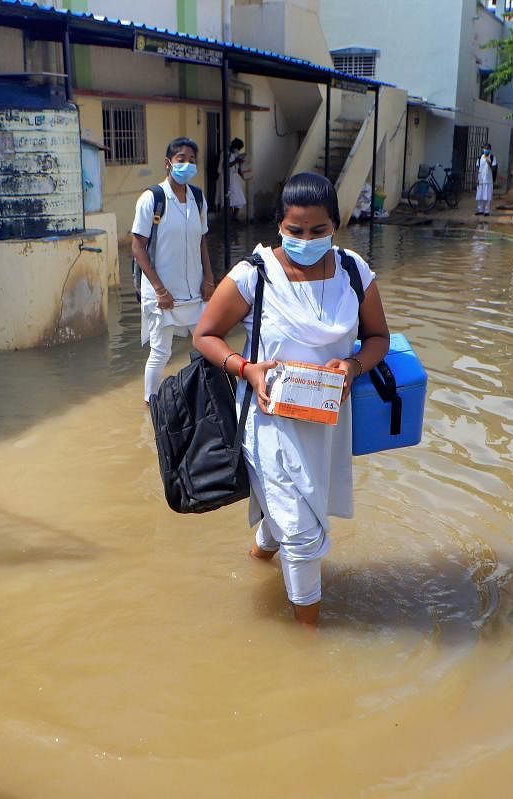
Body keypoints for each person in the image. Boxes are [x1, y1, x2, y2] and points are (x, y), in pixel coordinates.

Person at [193, 173, 392, 627]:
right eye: (295, 230)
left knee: (294, 506)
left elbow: (378, 337)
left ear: (336, 227)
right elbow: (205, 335)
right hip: (269, 422)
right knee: (301, 535)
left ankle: (259, 555)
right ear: (279, 226)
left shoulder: (354, 273)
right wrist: (246, 368)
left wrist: (354, 366)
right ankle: (309, 641)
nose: (306, 239)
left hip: (326, 424)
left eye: (318, 231)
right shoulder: (254, 276)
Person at [131, 137, 215, 403]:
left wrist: (209, 279)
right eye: (181, 159)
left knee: (208, 342)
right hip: (162, 292)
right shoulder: (152, 199)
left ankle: (203, 399)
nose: (187, 165)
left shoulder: (198, 198)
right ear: (168, 163)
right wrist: (159, 290)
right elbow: (137, 247)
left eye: (192, 160)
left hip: (194, 289)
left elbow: (202, 240)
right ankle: (151, 404)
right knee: (161, 351)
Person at [221, 138, 248, 222]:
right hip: (229, 178)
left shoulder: (235, 154)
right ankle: (229, 218)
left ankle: (234, 217)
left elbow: (237, 168)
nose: (238, 150)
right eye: (238, 148)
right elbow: (225, 165)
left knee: (240, 199)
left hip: (235, 177)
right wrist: (236, 161)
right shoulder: (227, 153)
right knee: (229, 198)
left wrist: (243, 175)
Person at [476, 143, 497, 216]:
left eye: (487, 149)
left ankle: (487, 211)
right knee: (480, 196)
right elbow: (478, 168)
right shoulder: (479, 158)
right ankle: (480, 210)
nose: (486, 150)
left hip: (488, 180)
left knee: (487, 196)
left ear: (489, 150)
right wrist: (477, 178)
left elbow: (494, 169)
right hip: (481, 180)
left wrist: (489, 163)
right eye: (485, 148)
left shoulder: (492, 158)